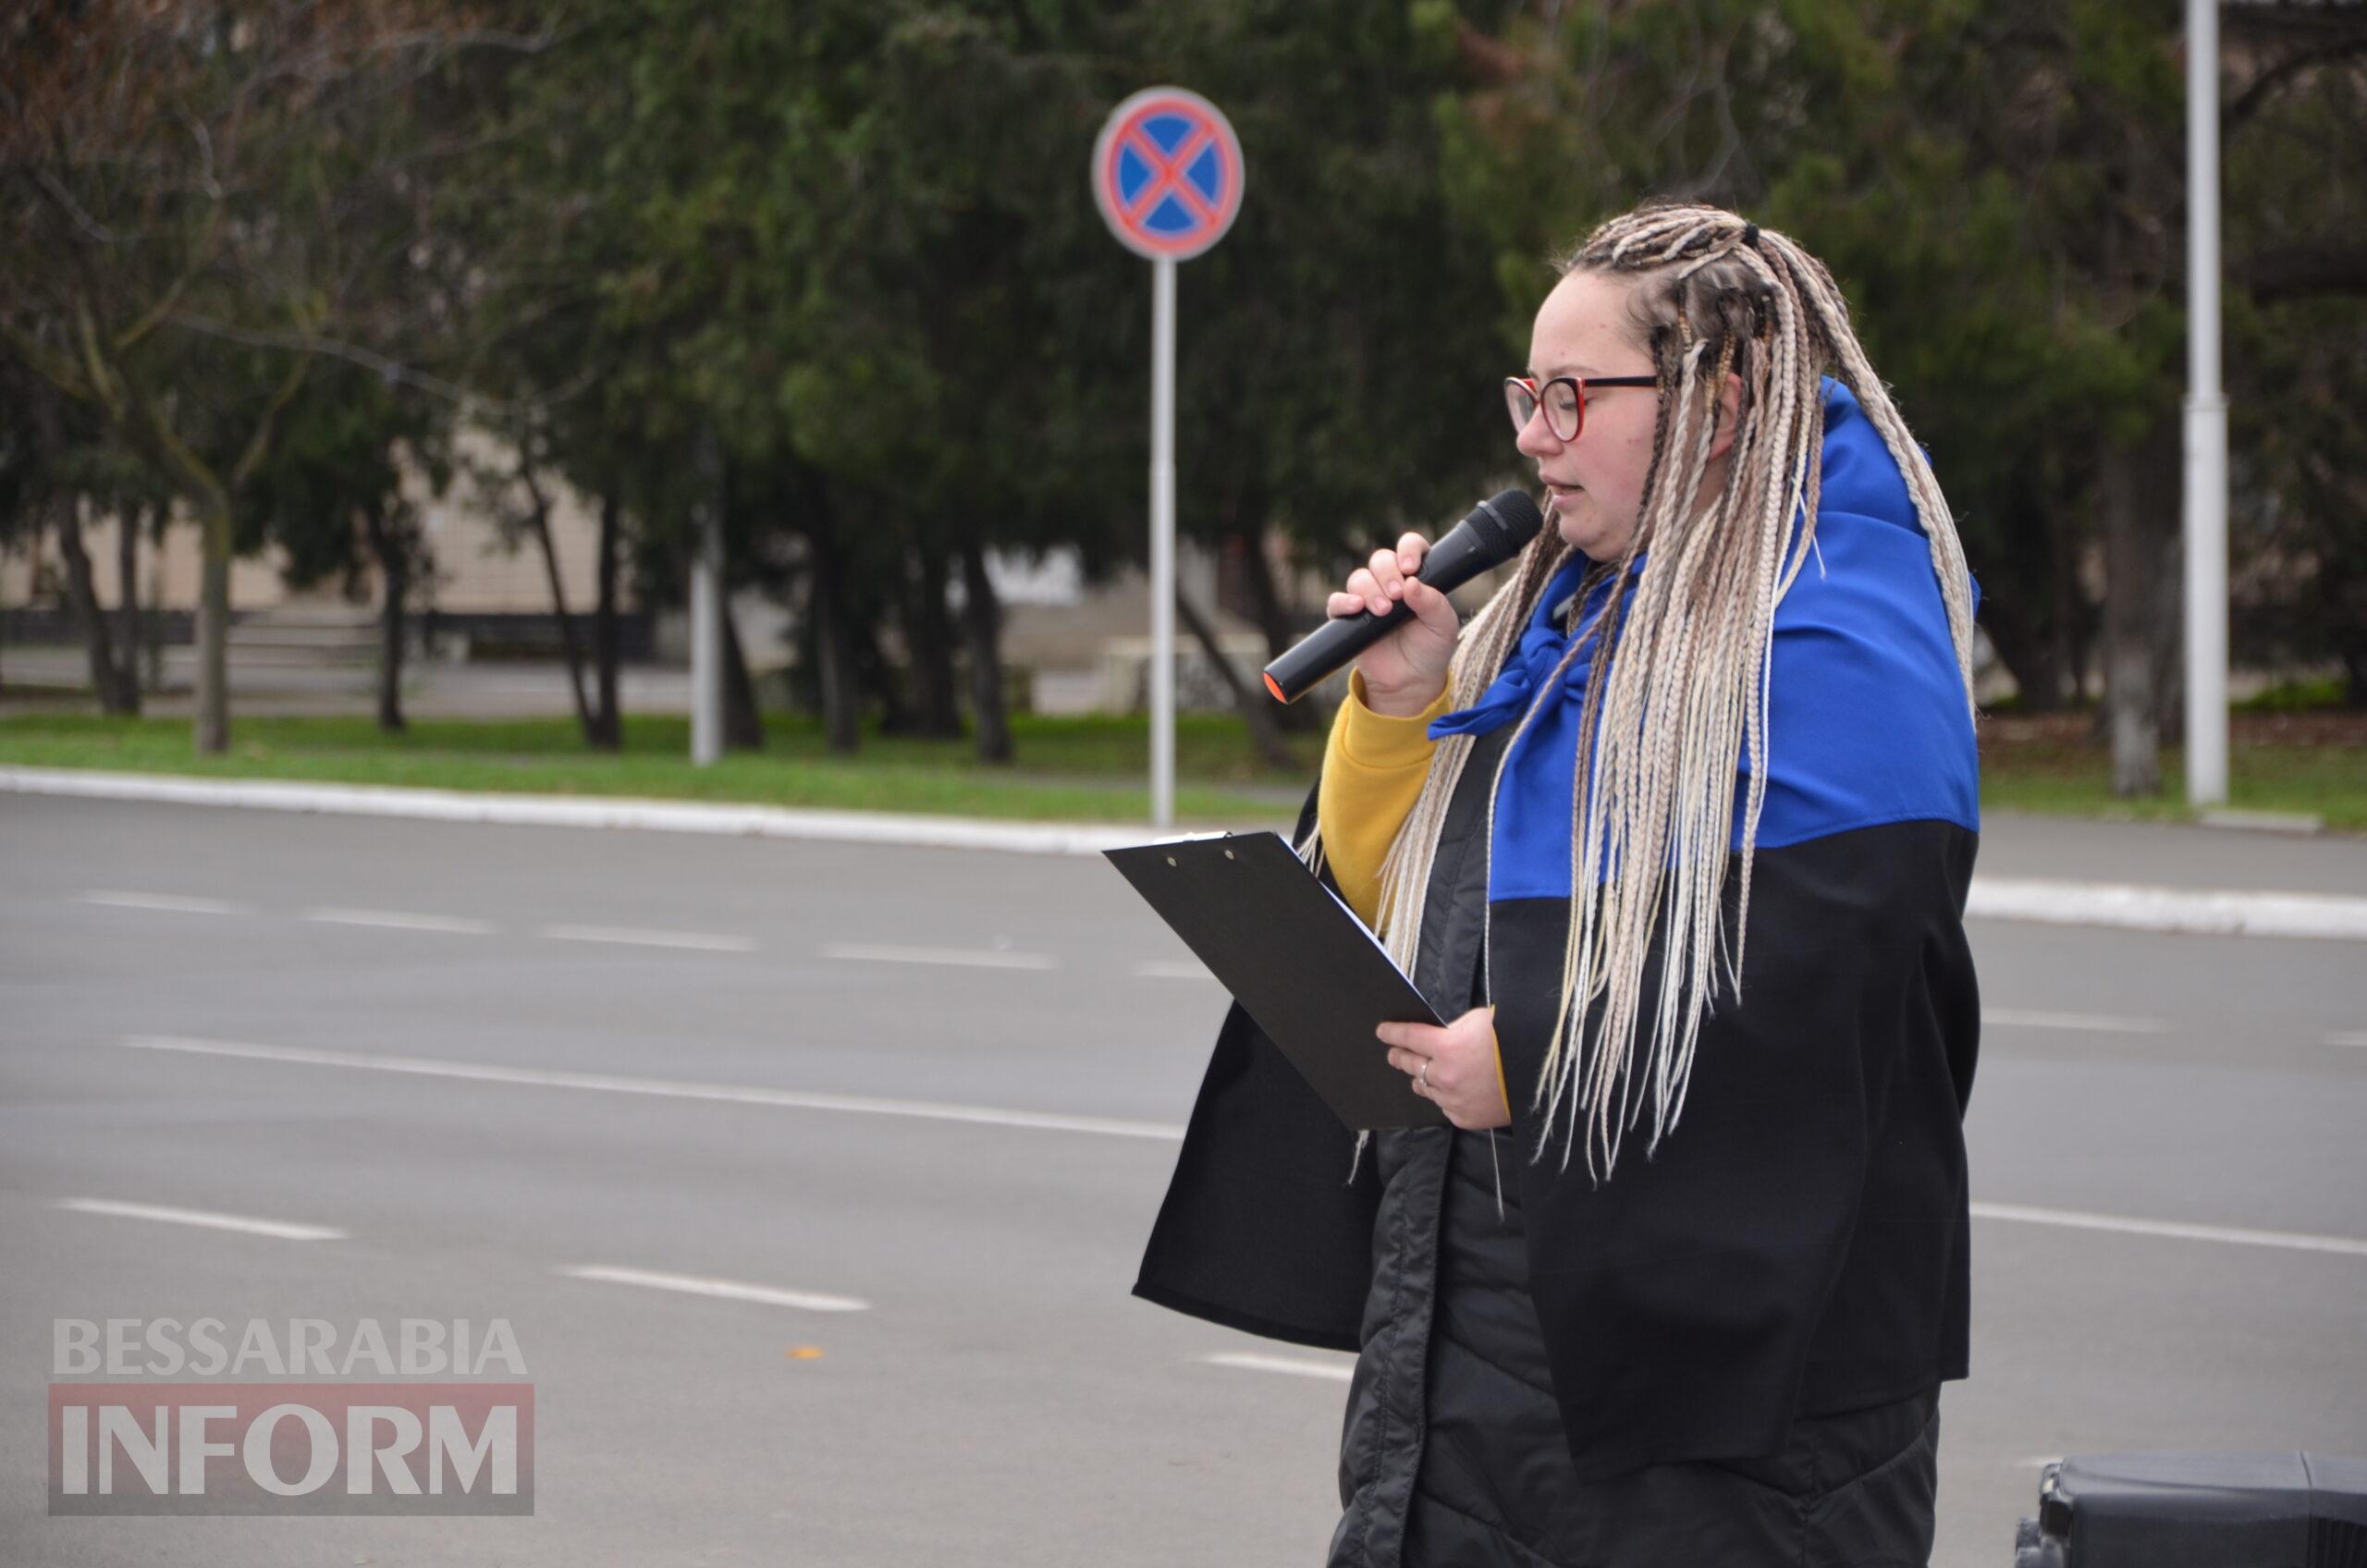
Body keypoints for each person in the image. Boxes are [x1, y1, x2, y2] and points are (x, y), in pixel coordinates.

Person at [1132, 201, 1982, 1567]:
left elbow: (1835, 953)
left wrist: (1534, 1056)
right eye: (1531, 394)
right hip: (1473, 1370)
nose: (1534, 435)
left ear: (1721, 402)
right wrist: (1401, 710)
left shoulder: (1839, 622)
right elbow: (1419, 899)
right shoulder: (1562, 612)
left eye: (1576, 396)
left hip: (1730, 1444)